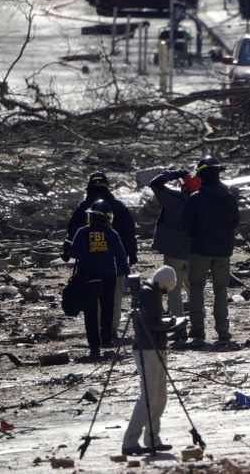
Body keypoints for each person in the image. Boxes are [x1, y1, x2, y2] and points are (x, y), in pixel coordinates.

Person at [63, 172, 138, 341]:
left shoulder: (83, 209)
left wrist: (69, 251)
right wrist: (131, 257)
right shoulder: (117, 208)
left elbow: (71, 235)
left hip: (87, 271)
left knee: (91, 304)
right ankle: (110, 332)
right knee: (111, 303)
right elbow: (129, 233)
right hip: (111, 270)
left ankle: (94, 339)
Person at [122, 266, 181, 455]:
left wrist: (167, 323)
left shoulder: (152, 292)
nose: (165, 293)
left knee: (159, 397)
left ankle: (152, 440)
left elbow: (152, 320)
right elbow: (149, 323)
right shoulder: (148, 294)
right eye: (166, 289)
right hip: (147, 350)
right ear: (163, 284)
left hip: (156, 348)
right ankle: (130, 442)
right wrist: (170, 324)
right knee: (148, 397)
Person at [181, 156, 239, 347]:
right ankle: (223, 331)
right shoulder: (230, 197)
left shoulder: (195, 199)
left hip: (200, 250)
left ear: (201, 176)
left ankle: (198, 331)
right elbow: (236, 222)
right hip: (223, 251)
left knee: (196, 289)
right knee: (220, 290)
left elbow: (185, 225)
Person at [68, 200, 130, 359]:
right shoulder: (112, 233)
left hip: (87, 276)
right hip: (108, 275)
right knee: (108, 306)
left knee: (90, 311)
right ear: (108, 218)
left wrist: (69, 247)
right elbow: (121, 256)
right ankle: (107, 339)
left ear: (91, 216)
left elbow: (73, 254)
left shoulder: (82, 232)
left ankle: (94, 346)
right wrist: (125, 273)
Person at [148, 168, 201, 342]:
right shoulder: (203, 202)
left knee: (174, 292)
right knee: (195, 291)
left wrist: (175, 173)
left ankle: (179, 331)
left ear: (184, 187)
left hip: (174, 253)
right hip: (195, 253)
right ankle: (198, 329)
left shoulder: (174, 199)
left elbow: (154, 183)